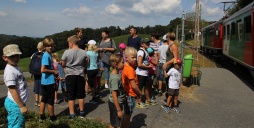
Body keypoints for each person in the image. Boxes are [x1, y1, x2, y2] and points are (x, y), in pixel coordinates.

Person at [61, 35, 87, 119]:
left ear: (71, 43)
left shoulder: (67, 52)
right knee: (80, 94)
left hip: (70, 74)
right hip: (80, 74)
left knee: (71, 94)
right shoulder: (83, 52)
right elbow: (86, 63)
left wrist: (66, 66)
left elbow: (63, 64)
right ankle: (82, 112)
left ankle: (72, 114)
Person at [3, 44, 28, 128]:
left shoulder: (15, 67)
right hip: (15, 104)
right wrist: (21, 106)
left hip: (18, 102)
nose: (16, 58)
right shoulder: (10, 71)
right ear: (5, 57)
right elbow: (12, 90)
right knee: (16, 124)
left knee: (19, 123)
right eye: (12, 56)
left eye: (17, 55)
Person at [121, 47, 142, 128]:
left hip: (127, 93)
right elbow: (133, 85)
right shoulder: (130, 69)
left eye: (135, 57)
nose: (135, 59)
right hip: (131, 94)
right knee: (128, 114)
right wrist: (140, 93)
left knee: (126, 113)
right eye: (132, 57)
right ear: (126, 57)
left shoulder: (124, 67)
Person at [39, 38, 58, 122]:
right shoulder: (47, 55)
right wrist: (53, 71)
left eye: (51, 46)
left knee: (44, 99)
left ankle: (42, 116)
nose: (50, 47)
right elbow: (43, 70)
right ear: (44, 47)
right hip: (49, 81)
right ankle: (52, 117)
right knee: (50, 100)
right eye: (47, 46)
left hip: (44, 81)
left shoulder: (47, 54)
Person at [136, 39, 154, 108]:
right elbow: (139, 64)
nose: (148, 45)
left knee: (147, 87)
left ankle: (148, 100)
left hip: (145, 72)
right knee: (140, 88)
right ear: (142, 44)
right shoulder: (141, 52)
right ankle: (139, 102)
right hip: (141, 73)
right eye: (146, 43)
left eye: (148, 43)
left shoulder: (145, 51)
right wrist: (148, 66)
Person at [108, 54, 125, 128]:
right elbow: (114, 95)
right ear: (116, 64)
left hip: (118, 102)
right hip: (115, 104)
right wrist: (118, 110)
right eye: (122, 62)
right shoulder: (115, 78)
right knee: (114, 125)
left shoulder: (117, 75)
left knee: (116, 122)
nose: (123, 64)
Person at [32, 41, 44, 107]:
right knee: (41, 86)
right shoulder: (44, 54)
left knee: (36, 86)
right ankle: (40, 101)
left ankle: (36, 101)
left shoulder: (34, 54)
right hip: (41, 72)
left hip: (35, 72)